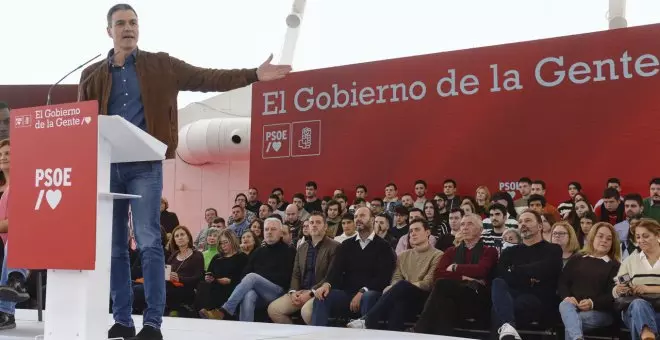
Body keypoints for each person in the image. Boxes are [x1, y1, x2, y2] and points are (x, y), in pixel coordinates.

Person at [78, 4, 292, 339]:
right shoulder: (91, 75)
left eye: (134, 22)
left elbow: (207, 77)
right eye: (120, 23)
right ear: (109, 31)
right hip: (108, 167)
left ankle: (152, 323)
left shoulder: (160, 65)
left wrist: (253, 74)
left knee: (149, 242)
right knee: (116, 246)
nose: (128, 28)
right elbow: (82, 123)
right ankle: (122, 320)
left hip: (145, 165)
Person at [0, 139, 31, 330]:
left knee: (17, 236)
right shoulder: (3, 190)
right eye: (1, 154)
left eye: (8, 153)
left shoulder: (25, 184)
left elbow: (17, 223)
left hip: (27, 246)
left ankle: (6, 309)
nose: (3, 156)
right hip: (5, 246)